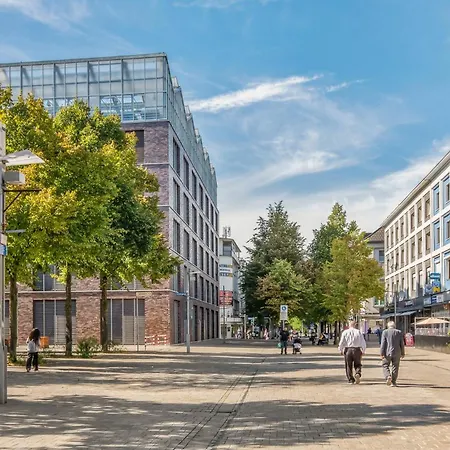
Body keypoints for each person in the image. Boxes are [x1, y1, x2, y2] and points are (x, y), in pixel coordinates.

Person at [338, 320, 366, 384]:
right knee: (358, 364)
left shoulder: (345, 332)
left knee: (348, 365)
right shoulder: (358, 332)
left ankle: (351, 379)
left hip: (348, 350)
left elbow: (342, 342)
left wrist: (340, 349)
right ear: (355, 325)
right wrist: (363, 350)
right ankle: (358, 373)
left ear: (349, 325)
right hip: (357, 350)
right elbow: (363, 342)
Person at [380, 321, 405, 387]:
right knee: (395, 367)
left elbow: (383, 343)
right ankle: (393, 382)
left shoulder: (385, 332)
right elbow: (402, 343)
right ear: (394, 326)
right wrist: (402, 353)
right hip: (397, 352)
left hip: (387, 352)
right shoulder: (399, 332)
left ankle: (388, 376)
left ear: (388, 326)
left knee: (385, 365)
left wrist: (381, 353)